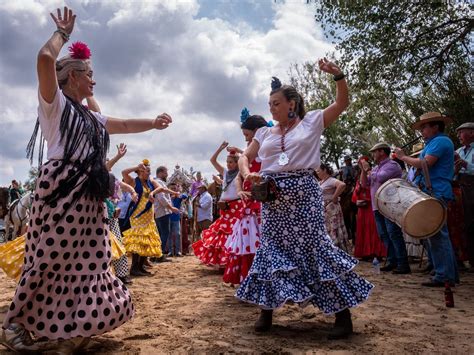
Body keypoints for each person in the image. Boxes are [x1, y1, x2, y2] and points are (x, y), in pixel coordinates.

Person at [2, 7, 173, 352]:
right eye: (89, 75)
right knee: (48, 260)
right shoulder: (56, 107)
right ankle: (14, 325)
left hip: (90, 200)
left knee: (91, 263)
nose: (94, 81)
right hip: (61, 193)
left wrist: (153, 123)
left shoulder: (93, 118)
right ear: (74, 77)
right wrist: (62, 35)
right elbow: (43, 59)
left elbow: (123, 125)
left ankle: (73, 324)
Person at [236, 59, 373, 339]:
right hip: (272, 196)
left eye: (276, 103)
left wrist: (339, 77)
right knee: (271, 249)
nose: (272, 108)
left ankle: (342, 316)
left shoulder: (312, 121)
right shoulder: (263, 133)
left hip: (303, 193)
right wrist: (247, 172)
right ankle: (266, 311)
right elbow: (243, 156)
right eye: (269, 104)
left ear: (291, 104)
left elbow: (341, 104)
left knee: (316, 247)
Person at [394, 112, 458, 286]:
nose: (422, 131)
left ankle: (444, 276)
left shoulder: (441, 141)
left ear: (435, 126)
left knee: (438, 235)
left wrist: (403, 157)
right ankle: (447, 273)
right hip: (432, 190)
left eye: (424, 127)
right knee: (436, 234)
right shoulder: (433, 143)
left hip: (437, 190)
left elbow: (425, 164)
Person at [223, 109, 270, 285]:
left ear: (258, 132)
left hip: (265, 206)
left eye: (247, 134)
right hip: (249, 207)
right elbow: (238, 177)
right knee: (247, 244)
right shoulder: (249, 154)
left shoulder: (269, 150)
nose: (245, 138)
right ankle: (249, 281)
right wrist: (240, 190)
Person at [360, 142, 411, 274]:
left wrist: (368, 170)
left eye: (374, 151)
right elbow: (364, 184)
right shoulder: (376, 168)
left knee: (393, 233)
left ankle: (403, 263)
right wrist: (363, 170)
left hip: (389, 205)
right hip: (377, 206)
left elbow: (381, 178)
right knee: (383, 234)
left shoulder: (392, 165)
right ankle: (392, 260)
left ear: (382, 152)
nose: (372, 154)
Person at [192, 142, 243, 267]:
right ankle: (223, 261)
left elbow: (249, 158)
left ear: (237, 163)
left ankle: (231, 261)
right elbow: (212, 160)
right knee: (221, 233)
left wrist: (239, 151)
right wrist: (220, 148)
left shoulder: (241, 172)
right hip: (224, 208)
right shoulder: (225, 173)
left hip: (236, 207)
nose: (228, 164)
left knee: (233, 233)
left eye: (231, 162)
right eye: (227, 162)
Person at [122, 160, 176, 276]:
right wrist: (136, 166)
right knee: (139, 241)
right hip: (138, 216)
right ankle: (134, 268)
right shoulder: (133, 181)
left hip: (149, 216)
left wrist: (153, 193)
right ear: (140, 171)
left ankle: (141, 267)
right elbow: (124, 172)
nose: (149, 173)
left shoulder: (150, 181)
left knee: (148, 241)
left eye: (149, 171)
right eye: (147, 171)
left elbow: (160, 188)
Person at [351, 157, 386, 260]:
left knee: (373, 229)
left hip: (371, 205)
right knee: (363, 229)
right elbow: (358, 190)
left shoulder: (373, 175)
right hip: (362, 207)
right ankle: (365, 252)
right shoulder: (359, 178)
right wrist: (357, 200)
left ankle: (376, 252)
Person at [316, 163, 350, 252]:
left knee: (334, 227)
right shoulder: (320, 182)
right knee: (327, 228)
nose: (317, 172)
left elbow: (342, 185)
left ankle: (338, 250)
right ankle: (330, 250)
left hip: (332, 208)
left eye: (319, 171)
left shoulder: (331, 180)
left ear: (325, 170)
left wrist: (334, 197)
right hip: (324, 209)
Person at [455, 122, 474, 270]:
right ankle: (463, 258)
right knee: (461, 223)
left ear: (472, 133)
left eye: (461, 132)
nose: (458, 136)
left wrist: (466, 165)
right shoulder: (458, 151)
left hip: (472, 187)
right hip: (459, 188)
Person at [154, 166, 179, 260]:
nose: (167, 175)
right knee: (164, 233)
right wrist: (171, 208)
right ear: (160, 173)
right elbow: (161, 198)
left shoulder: (159, 182)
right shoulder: (159, 182)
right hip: (162, 211)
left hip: (159, 211)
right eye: (165, 172)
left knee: (161, 234)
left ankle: (156, 254)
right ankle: (159, 255)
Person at [168, 183, 188, 257]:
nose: (173, 190)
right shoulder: (167, 197)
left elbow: (185, 196)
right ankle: (170, 251)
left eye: (174, 188)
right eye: (172, 188)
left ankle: (178, 251)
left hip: (176, 218)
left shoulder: (178, 197)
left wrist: (179, 192)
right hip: (168, 218)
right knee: (169, 235)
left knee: (177, 234)